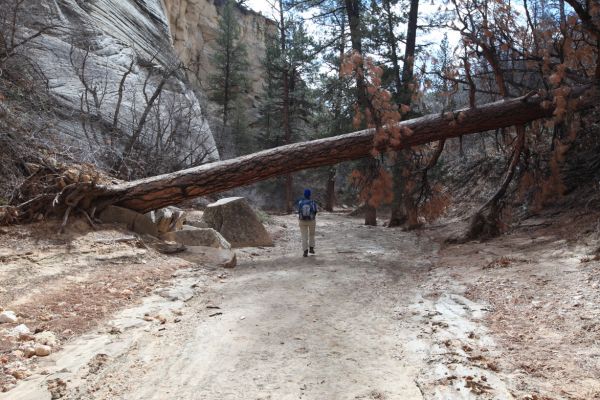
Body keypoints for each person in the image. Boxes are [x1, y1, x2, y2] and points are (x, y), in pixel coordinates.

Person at [297, 188, 318, 257]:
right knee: (311, 234)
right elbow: (315, 211)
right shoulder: (312, 202)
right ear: (310, 195)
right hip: (311, 221)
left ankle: (305, 251)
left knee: (304, 236)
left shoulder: (300, 202)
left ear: (304, 195)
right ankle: (311, 248)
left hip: (302, 221)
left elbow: (299, 211)